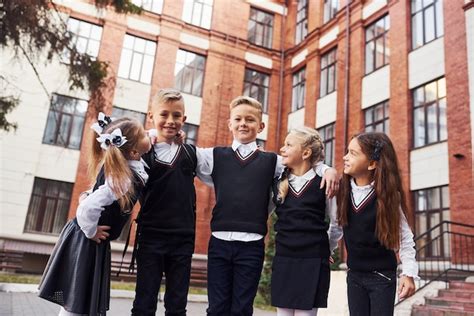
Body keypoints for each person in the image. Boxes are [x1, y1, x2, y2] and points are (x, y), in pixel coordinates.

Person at [195, 96, 339, 316]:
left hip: (252, 245)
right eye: (238, 119)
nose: (243, 123)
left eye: (250, 119)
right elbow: (185, 154)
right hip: (219, 243)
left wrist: (329, 169)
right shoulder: (214, 156)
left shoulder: (274, 162)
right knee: (216, 307)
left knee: (243, 308)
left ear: (261, 126)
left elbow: (306, 161)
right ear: (230, 124)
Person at [38, 115, 151, 316]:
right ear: (133, 151)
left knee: (81, 297)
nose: (148, 134)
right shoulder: (123, 179)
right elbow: (88, 208)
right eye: (144, 133)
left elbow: (91, 196)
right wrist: (91, 231)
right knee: (77, 297)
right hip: (87, 241)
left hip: (89, 241)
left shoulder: (126, 163)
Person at [131, 89, 197, 316]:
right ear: (151, 116)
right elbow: (114, 175)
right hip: (151, 237)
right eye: (164, 115)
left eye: (176, 116)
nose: (170, 121)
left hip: (183, 238)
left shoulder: (190, 153)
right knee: (144, 303)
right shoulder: (141, 154)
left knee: (177, 305)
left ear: (184, 119)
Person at [338, 132, 417, 316]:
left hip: (382, 277)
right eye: (347, 152)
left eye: (353, 153)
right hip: (355, 276)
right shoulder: (342, 192)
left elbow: (405, 237)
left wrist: (408, 273)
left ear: (372, 163)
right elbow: (336, 227)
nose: (345, 157)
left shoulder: (389, 197)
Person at [271, 127, 343, 316]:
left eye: (288, 145)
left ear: (305, 152)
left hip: (313, 259)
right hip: (284, 257)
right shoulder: (279, 181)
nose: (282, 149)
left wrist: (328, 248)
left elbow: (337, 223)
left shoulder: (324, 182)